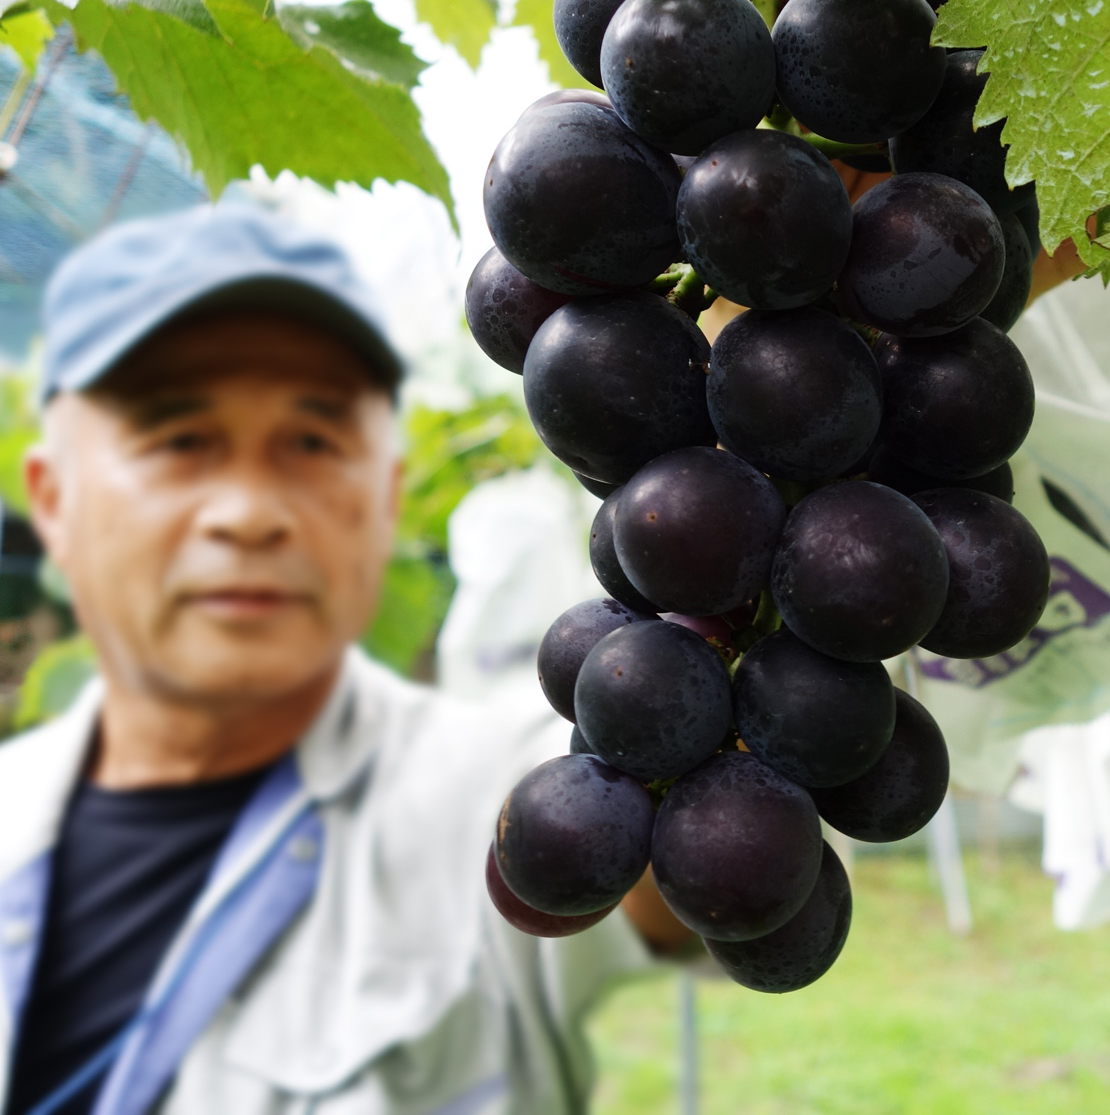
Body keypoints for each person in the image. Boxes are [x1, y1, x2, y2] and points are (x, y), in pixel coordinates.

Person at [0, 203, 687, 1115]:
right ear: (54, 498)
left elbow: (696, 851)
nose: (249, 511)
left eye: (312, 444)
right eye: (178, 443)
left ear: (384, 496)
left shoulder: (492, 782)